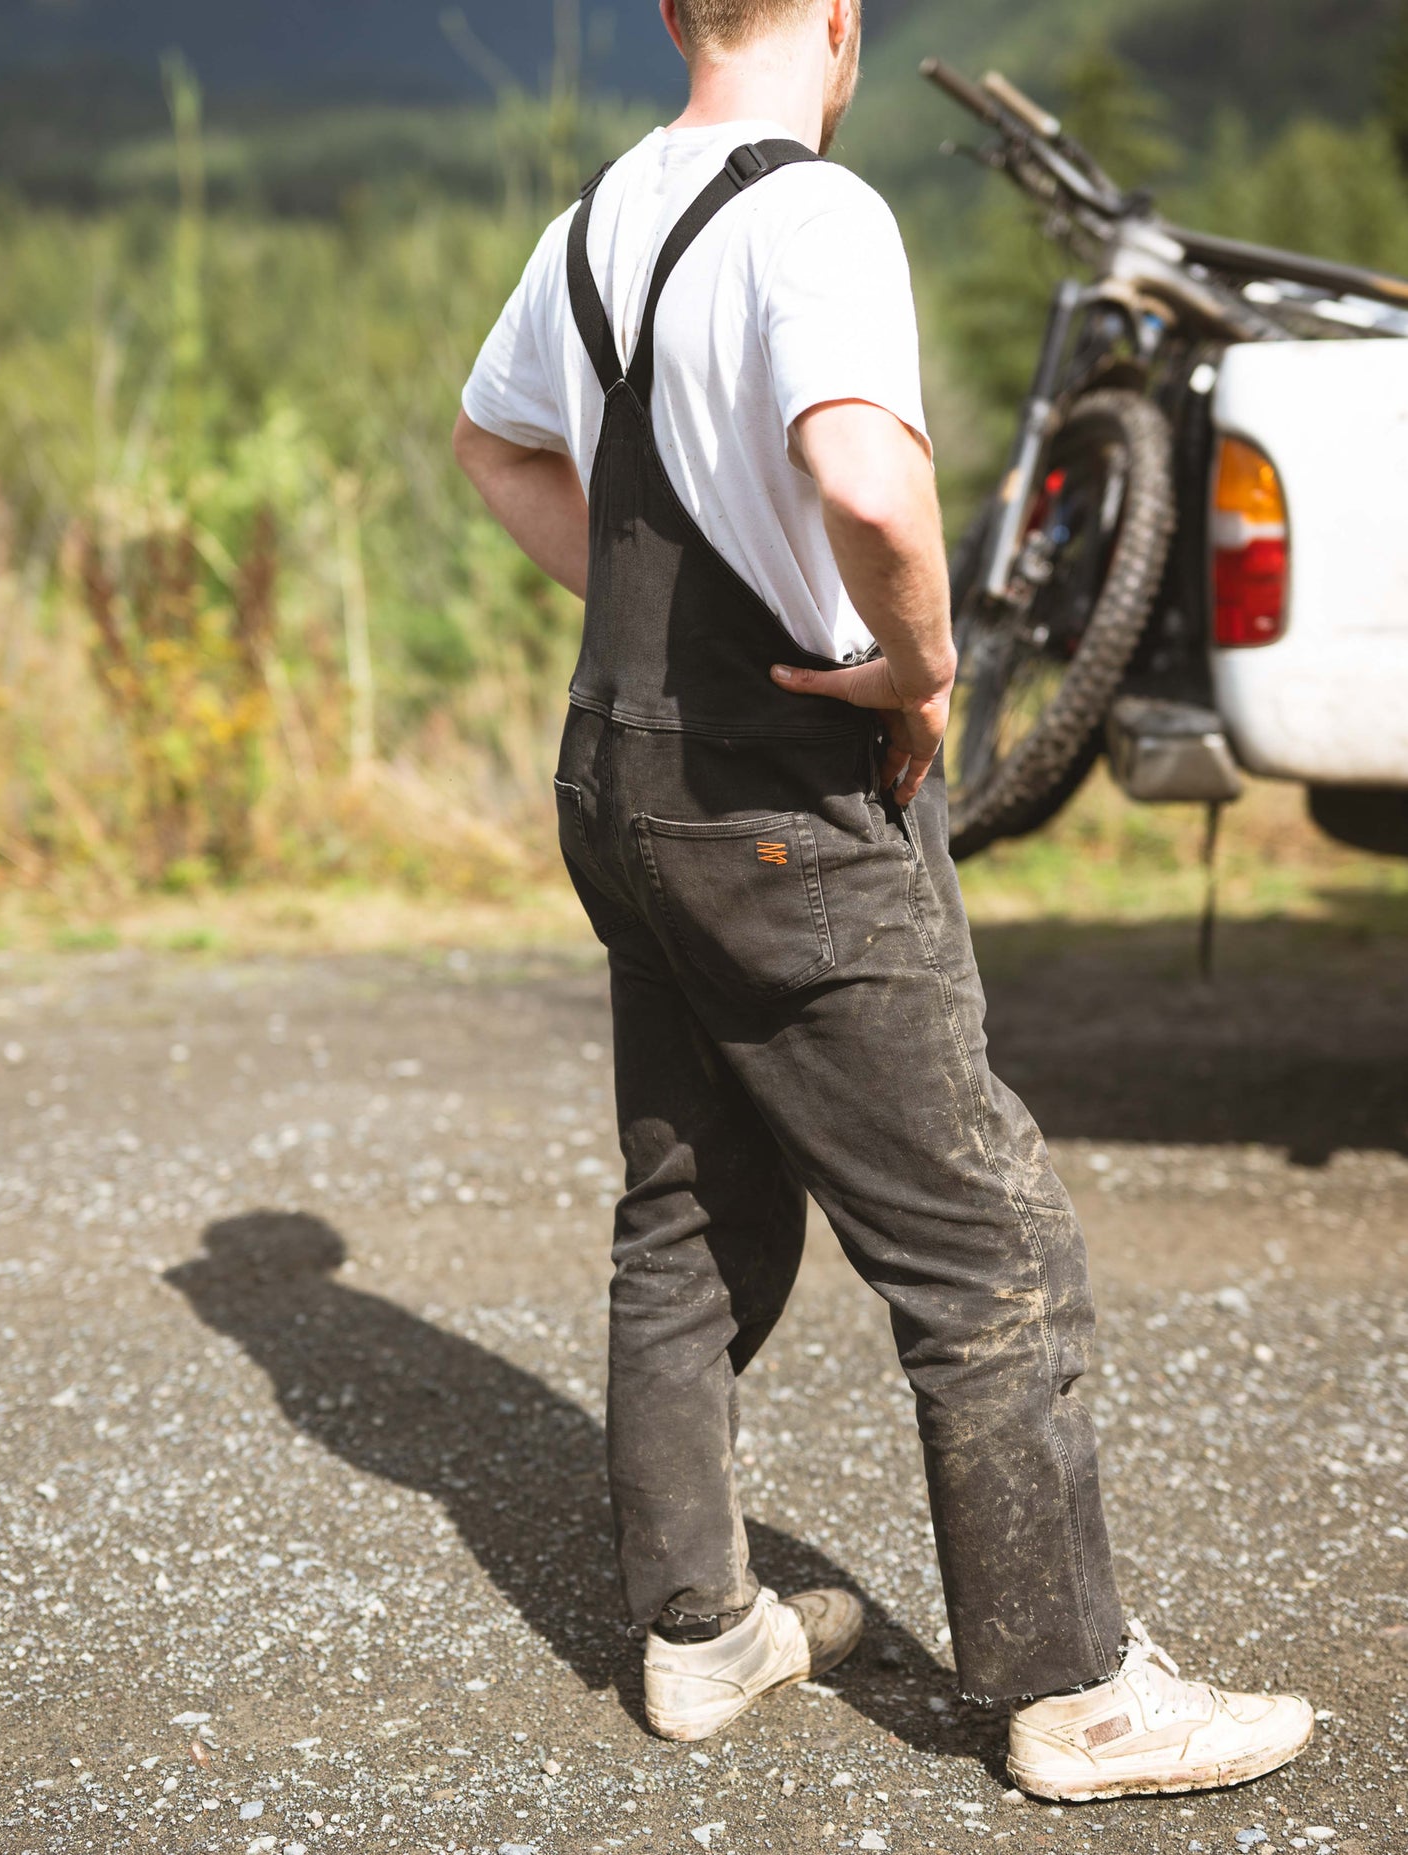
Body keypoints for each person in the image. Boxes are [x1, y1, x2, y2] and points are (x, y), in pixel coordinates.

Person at [453, 0, 1314, 1803]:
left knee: (690, 1203)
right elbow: (865, 472)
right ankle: (1077, 1692)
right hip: (777, 803)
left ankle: (700, 1632)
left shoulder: (596, 215)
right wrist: (913, 669)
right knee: (985, 1241)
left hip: (618, 778)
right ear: (838, 22)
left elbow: (498, 449)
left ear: (681, 14)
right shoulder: (817, 213)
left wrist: (673, 647)